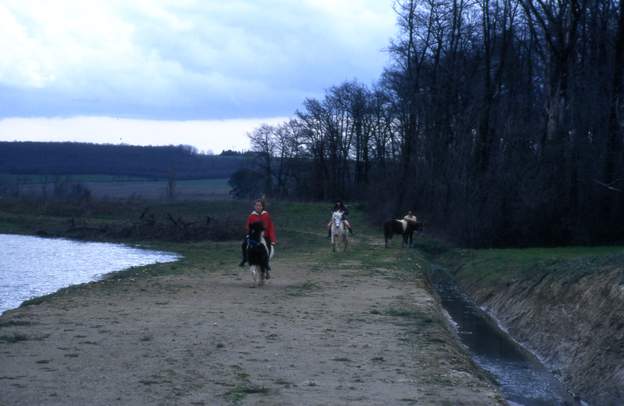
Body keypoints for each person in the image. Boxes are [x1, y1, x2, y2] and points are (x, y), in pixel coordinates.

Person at [239, 199, 277, 278]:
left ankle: (266, 264)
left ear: (262, 207)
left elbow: (270, 227)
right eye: (256, 205)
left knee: (268, 247)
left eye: (259, 205)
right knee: (244, 244)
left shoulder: (266, 215)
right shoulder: (251, 216)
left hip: (264, 235)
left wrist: (273, 239)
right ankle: (244, 259)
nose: (257, 207)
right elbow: (247, 226)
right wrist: (249, 233)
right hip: (253, 236)